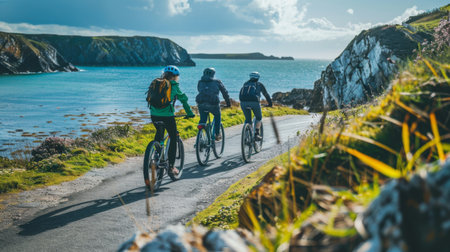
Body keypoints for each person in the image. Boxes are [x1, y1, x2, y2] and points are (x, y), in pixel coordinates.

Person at [148, 65, 195, 175]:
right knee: (173, 137)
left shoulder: (156, 83)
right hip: (167, 116)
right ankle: (171, 167)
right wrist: (189, 113)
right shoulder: (174, 86)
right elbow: (184, 100)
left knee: (159, 134)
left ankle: (155, 156)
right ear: (175, 77)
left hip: (154, 115)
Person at [196, 67, 231, 141]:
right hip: (213, 104)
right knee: (217, 116)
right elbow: (225, 93)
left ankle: (200, 138)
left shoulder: (200, 82)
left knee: (202, 120)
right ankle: (217, 134)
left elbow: (199, 90)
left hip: (201, 104)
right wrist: (228, 104)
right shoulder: (217, 82)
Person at [239, 72, 272, 141]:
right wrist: (270, 104)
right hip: (255, 103)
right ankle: (256, 134)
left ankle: (247, 136)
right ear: (258, 78)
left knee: (248, 120)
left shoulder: (245, 84)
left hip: (243, 103)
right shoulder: (259, 84)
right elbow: (266, 94)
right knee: (259, 117)